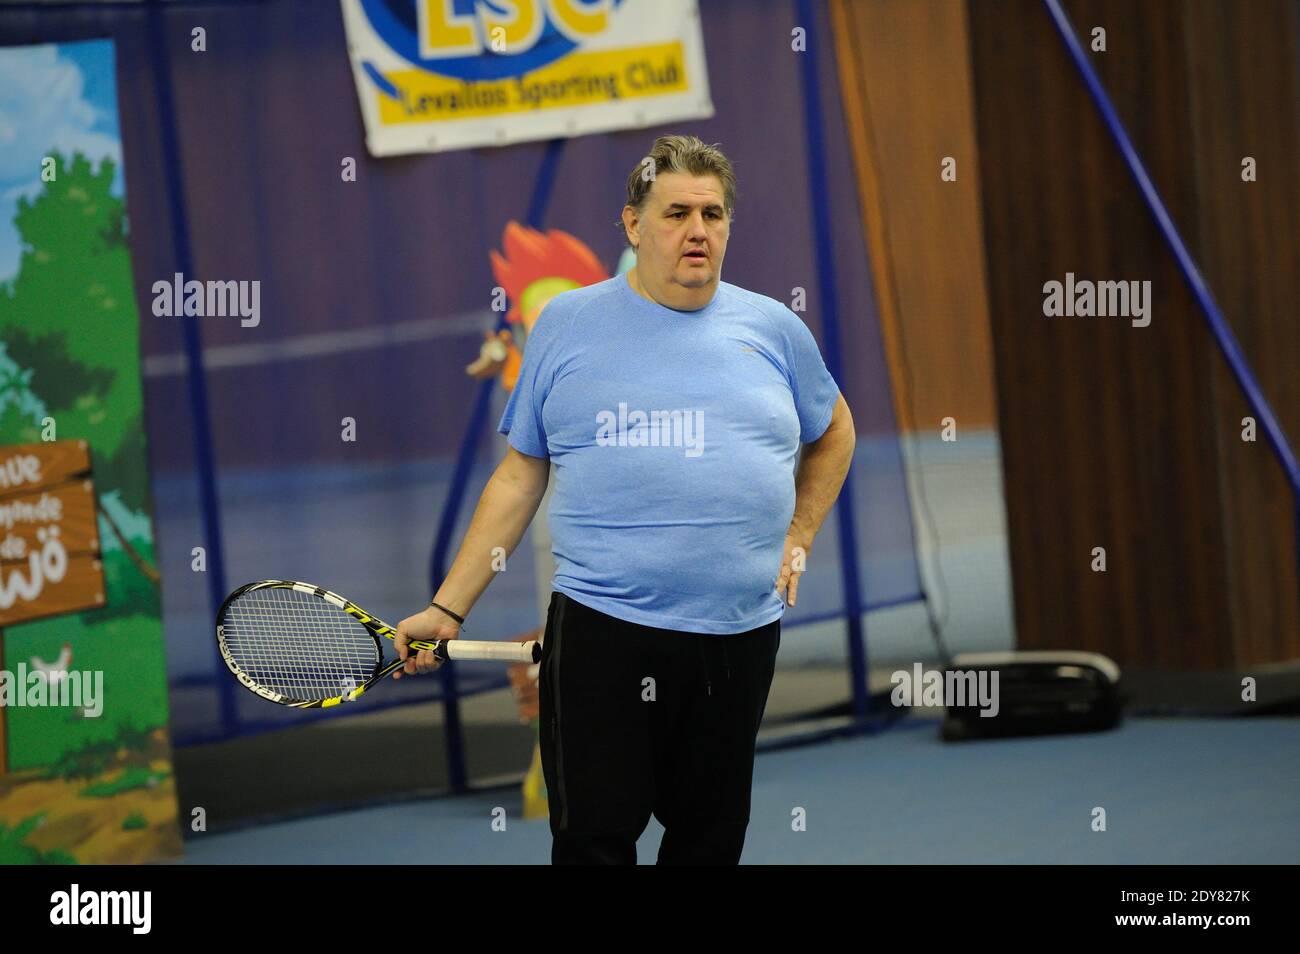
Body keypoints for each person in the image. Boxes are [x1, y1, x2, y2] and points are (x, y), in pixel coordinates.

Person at [394, 134, 856, 865]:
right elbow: (519, 477)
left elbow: (834, 430)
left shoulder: (773, 329)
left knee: (709, 843)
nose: (697, 230)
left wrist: (799, 532)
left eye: (713, 214)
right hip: (604, 630)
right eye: (676, 213)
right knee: (593, 844)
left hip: (739, 635)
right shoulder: (566, 326)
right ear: (633, 225)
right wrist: (448, 607)